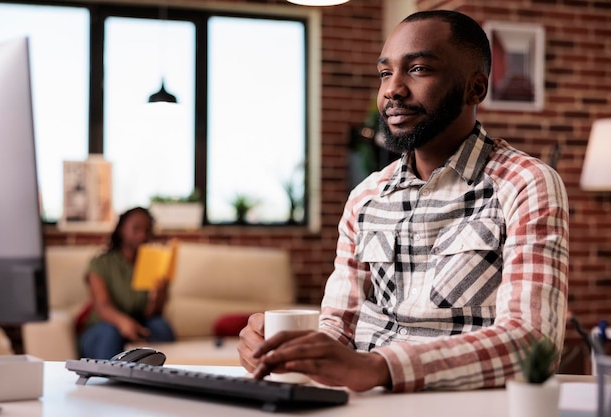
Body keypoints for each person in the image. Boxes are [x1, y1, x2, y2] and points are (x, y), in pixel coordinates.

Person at [237, 10, 569, 393]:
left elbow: (533, 342)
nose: (392, 89)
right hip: (365, 403)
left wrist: (381, 368)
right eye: (384, 73)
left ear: (475, 89)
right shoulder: (365, 197)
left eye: (419, 69)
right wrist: (288, 350)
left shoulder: (526, 184)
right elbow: (339, 326)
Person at [79, 207, 175, 359]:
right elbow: (103, 307)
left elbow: (151, 313)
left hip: (140, 324)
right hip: (104, 326)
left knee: (161, 327)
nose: (142, 235)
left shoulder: (153, 264)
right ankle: (108, 380)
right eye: (136, 228)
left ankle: (158, 378)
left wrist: (158, 296)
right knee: (110, 334)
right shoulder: (100, 263)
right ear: (121, 230)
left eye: (147, 230)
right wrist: (124, 323)